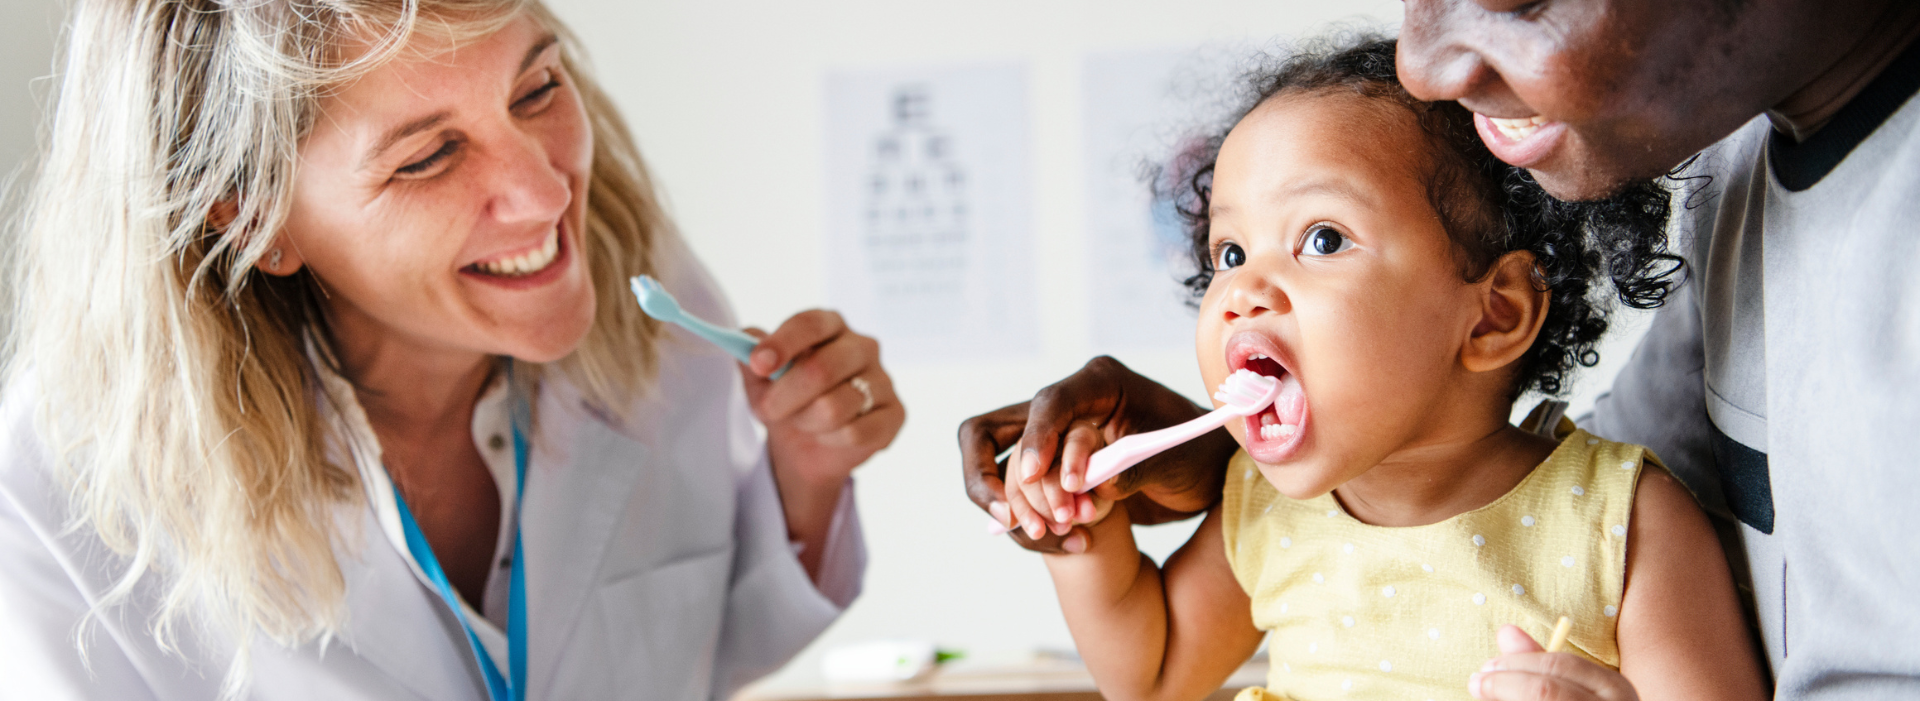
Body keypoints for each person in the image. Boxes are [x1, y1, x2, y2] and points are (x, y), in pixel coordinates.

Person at [963, 0, 1920, 698]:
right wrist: (1084, 537)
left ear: (1493, 315)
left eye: (1322, 239)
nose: (1242, 291)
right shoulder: (1267, 510)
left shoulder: (1626, 526)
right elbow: (1155, 668)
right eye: (1230, 253)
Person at [0, 1, 902, 698]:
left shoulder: (655, 299)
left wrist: (806, 473)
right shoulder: (57, 494)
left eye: (536, 90)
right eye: (430, 156)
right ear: (255, 218)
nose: (546, 195)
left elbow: (705, 649)